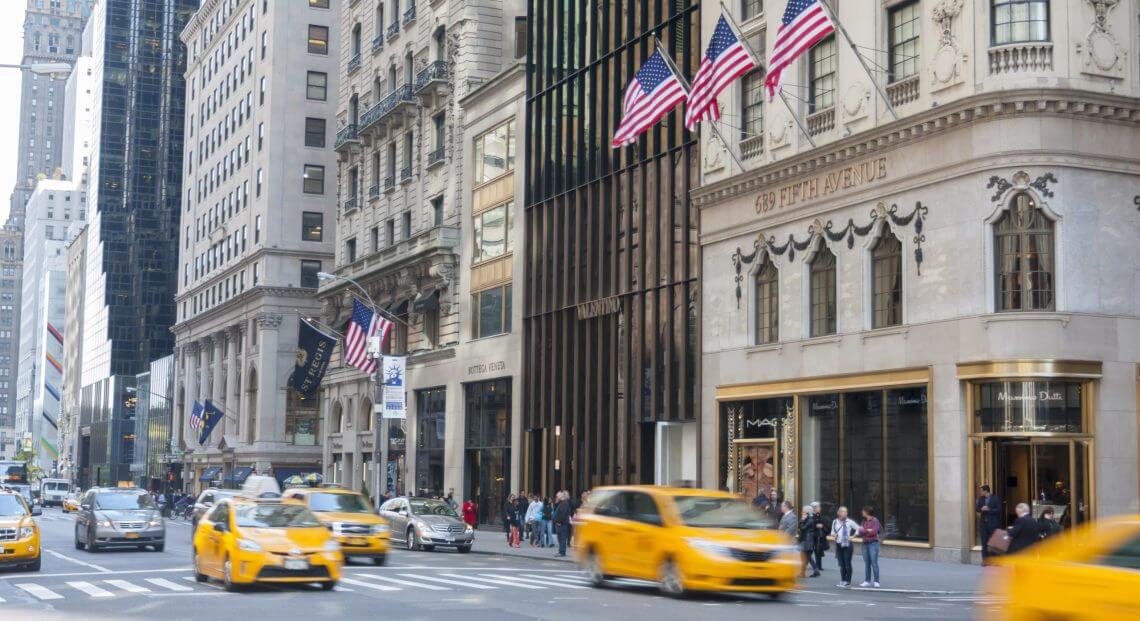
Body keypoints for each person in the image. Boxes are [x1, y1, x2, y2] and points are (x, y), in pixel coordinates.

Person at [830, 505, 859, 587]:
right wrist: (833, 535)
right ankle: (843, 580)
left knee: (847, 563)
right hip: (839, 544)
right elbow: (832, 532)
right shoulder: (835, 521)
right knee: (841, 564)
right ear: (838, 513)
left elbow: (858, 528)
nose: (844, 513)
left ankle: (848, 581)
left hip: (847, 545)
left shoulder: (849, 522)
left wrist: (853, 536)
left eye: (846, 512)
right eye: (843, 511)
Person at [976, 485, 1002, 564]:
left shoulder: (995, 498)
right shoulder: (981, 499)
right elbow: (977, 509)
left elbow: (999, 509)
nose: (980, 492)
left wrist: (989, 509)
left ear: (986, 491)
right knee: (984, 543)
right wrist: (981, 509)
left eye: (981, 491)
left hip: (993, 524)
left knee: (995, 543)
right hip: (983, 525)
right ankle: (985, 560)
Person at [859, 506, 882, 588]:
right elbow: (860, 531)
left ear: (867, 512)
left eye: (863, 511)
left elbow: (874, 532)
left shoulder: (875, 520)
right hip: (865, 543)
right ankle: (867, 581)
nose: (862, 513)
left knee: (874, 562)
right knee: (867, 563)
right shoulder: (863, 521)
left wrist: (865, 530)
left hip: (873, 543)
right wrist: (867, 530)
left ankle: (876, 581)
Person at [798, 506, 820, 578]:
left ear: (807, 512)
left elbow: (802, 528)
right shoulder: (809, 519)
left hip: (806, 541)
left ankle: (803, 573)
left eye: (803, 511)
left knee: (804, 557)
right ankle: (815, 570)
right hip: (807, 541)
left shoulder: (810, 520)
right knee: (808, 557)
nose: (802, 512)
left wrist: (802, 520)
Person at [552, 491, 572, 557]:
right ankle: (561, 551)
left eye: (557, 496)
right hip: (560, 524)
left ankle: (562, 552)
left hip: (561, 524)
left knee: (562, 538)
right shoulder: (562, 503)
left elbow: (562, 515)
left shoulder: (564, 504)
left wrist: (558, 522)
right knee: (560, 538)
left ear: (561, 496)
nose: (556, 497)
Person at [811, 501, 827, 572]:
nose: (819, 508)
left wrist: (822, 525)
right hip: (813, 536)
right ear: (814, 508)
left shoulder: (819, 515)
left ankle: (819, 565)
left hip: (820, 535)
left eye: (819, 507)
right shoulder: (811, 516)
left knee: (819, 551)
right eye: (818, 507)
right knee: (811, 551)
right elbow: (810, 525)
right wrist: (816, 526)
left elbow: (823, 522)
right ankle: (814, 565)